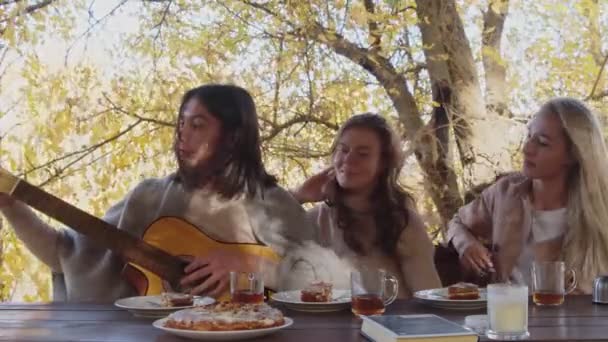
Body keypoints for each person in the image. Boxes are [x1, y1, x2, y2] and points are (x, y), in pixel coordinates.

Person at [0, 84, 335, 302]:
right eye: (181, 124)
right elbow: (65, 253)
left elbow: (325, 283)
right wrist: (9, 203)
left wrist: (251, 265)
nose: (182, 136)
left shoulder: (275, 203)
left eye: (198, 125)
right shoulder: (148, 199)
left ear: (234, 136)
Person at [447, 97, 608, 293]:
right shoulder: (505, 192)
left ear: (573, 154)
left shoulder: (600, 211)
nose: (526, 148)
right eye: (529, 135)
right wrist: (466, 245)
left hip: (578, 321)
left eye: (542, 142)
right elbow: (457, 223)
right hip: (506, 318)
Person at [290, 113, 442, 298]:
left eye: (363, 154)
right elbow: (262, 249)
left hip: (391, 323)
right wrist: (298, 197)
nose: (348, 159)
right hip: (331, 325)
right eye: (343, 150)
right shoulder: (317, 219)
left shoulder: (402, 222)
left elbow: (429, 296)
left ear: (382, 164)